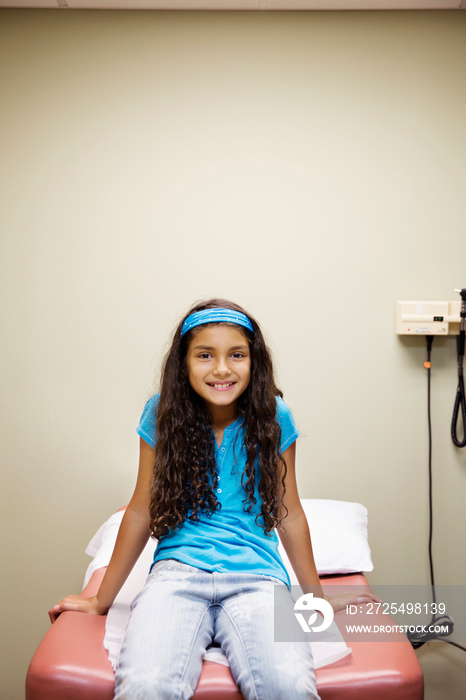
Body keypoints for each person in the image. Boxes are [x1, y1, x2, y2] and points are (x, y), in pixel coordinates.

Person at [51, 298, 377, 700]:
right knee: (146, 687)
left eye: (236, 355)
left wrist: (315, 599)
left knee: (288, 686)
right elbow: (140, 509)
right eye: (205, 355)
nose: (222, 369)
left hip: (258, 580)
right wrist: (100, 600)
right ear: (183, 363)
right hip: (176, 576)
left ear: (253, 362)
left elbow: (289, 514)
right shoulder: (161, 413)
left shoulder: (275, 415)